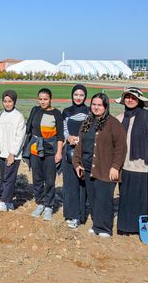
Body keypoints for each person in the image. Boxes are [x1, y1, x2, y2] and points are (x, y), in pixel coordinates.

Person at [73, 93, 127, 237]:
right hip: (88, 167)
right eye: (94, 104)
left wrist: (115, 166)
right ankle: (97, 225)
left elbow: (121, 147)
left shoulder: (113, 123)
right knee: (94, 198)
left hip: (106, 169)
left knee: (104, 198)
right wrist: (77, 162)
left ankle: (104, 228)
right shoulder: (87, 122)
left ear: (105, 106)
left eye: (99, 105)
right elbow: (80, 144)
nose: (96, 107)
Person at [116, 87, 148, 234]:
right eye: (127, 97)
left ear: (139, 101)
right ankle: (129, 227)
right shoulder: (120, 118)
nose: (130, 100)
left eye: (133, 98)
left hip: (147, 167)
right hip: (127, 166)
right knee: (129, 199)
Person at [27, 88, 64, 221]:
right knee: (37, 179)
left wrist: (59, 152)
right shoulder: (35, 110)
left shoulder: (56, 113)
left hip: (50, 150)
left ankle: (49, 205)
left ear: (50, 99)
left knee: (49, 180)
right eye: (40, 99)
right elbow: (29, 129)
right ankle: (40, 203)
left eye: (45, 99)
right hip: (35, 149)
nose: (42, 102)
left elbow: (60, 135)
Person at [0, 90, 26, 211]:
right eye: (5, 101)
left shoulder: (19, 116)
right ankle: (9, 202)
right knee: (4, 177)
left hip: (12, 154)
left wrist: (13, 153)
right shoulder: (0, 115)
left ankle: (3, 201)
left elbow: (20, 137)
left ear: (14, 102)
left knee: (9, 178)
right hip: (1, 152)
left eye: (10, 101)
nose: (7, 104)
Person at [61, 84, 90, 228]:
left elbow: (91, 131)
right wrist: (68, 138)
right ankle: (70, 214)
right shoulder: (66, 111)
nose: (78, 98)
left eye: (81, 95)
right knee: (69, 184)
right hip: (68, 152)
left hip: (84, 151)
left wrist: (80, 139)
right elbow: (63, 129)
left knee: (81, 183)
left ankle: (80, 215)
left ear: (85, 96)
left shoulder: (89, 112)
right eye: (76, 95)